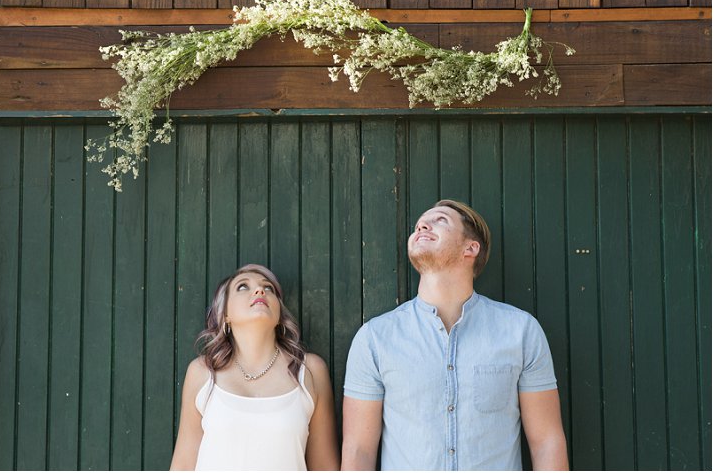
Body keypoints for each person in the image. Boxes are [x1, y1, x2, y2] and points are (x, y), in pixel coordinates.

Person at [341, 200, 568, 470]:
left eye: (440, 220)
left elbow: (546, 442)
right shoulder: (375, 339)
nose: (422, 225)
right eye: (419, 224)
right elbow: (359, 450)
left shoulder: (521, 331)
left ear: (470, 248)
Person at [170, 264, 340, 471]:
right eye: (243, 287)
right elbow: (184, 465)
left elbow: (324, 466)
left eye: (268, 288)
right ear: (225, 315)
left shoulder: (310, 370)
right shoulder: (202, 372)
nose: (260, 291)